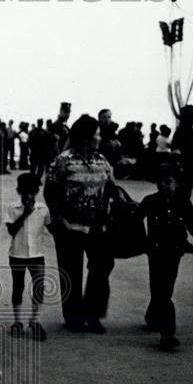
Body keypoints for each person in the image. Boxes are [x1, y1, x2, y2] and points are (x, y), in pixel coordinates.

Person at [44, 114, 115, 333]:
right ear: (86, 136)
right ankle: (74, 317)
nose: (99, 137)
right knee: (71, 271)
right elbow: (50, 192)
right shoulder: (63, 160)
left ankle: (92, 315)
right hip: (69, 227)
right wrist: (59, 218)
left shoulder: (101, 160)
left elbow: (110, 189)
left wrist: (109, 212)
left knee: (102, 266)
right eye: (97, 133)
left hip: (97, 226)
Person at [138, 165, 193, 350]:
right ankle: (163, 328)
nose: (164, 186)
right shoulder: (150, 201)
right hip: (155, 250)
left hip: (174, 251)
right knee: (159, 287)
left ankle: (159, 325)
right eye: (160, 182)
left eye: (168, 182)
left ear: (176, 183)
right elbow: (135, 218)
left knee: (164, 289)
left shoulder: (183, 202)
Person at [6, 172, 52, 341]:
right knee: (18, 287)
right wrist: (25, 213)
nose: (28, 196)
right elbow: (11, 230)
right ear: (19, 191)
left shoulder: (43, 209)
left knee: (39, 286)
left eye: (32, 192)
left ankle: (35, 320)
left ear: (37, 192)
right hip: (17, 254)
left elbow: (50, 226)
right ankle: (17, 321)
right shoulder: (13, 208)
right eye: (25, 192)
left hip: (37, 254)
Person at [170, 105, 193, 197]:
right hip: (186, 169)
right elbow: (176, 152)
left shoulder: (182, 131)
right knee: (183, 194)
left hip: (187, 168)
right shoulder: (184, 132)